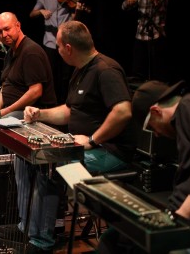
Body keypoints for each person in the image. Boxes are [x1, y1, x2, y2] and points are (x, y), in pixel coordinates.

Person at [22, 20, 136, 253]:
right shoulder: (80, 71)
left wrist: (94, 139)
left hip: (111, 152)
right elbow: (70, 111)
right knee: (34, 159)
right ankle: (36, 229)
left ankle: (40, 241)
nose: (58, 51)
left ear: (68, 48)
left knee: (50, 166)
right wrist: (39, 114)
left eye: (59, 46)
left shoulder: (106, 70)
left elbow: (123, 111)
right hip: (85, 147)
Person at [97, 80, 190, 254]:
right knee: (114, 239)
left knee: (179, 250)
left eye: (151, 127)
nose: (157, 134)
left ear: (156, 111)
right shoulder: (186, 121)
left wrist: (181, 215)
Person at [0, 11, 56, 188]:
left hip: (34, 112)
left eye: (7, 29)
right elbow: (6, 84)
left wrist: (3, 112)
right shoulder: (11, 53)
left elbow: (36, 92)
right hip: (10, 109)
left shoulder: (31, 52)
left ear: (18, 26)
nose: (4, 35)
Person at [29, 0, 80, 105]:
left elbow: (76, 19)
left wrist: (77, 12)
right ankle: (51, 103)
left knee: (66, 75)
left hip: (66, 41)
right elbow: (32, 14)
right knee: (51, 75)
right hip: (50, 43)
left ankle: (66, 102)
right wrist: (41, 11)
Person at [121, 0, 170, 82]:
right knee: (138, 71)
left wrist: (155, 0)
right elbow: (124, 7)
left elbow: (163, 9)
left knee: (158, 72)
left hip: (157, 34)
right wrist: (128, 1)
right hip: (141, 34)